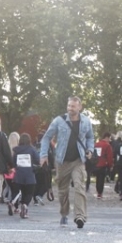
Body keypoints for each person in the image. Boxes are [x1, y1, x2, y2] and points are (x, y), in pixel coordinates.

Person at [39, 96, 94, 228]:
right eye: (69, 106)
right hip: (61, 161)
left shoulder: (86, 121)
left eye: (73, 106)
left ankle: (80, 216)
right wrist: (43, 155)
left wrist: (90, 149)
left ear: (80, 107)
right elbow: (46, 137)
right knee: (63, 191)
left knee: (79, 187)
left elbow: (90, 137)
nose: (70, 108)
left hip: (78, 160)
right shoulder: (59, 121)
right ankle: (64, 214)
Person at [13, 133, 40, 219]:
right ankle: (25, 205)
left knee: (23, 192)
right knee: (29, 193)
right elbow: (38, 159)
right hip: (29, 175)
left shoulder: (16, 150)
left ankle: (22, 207)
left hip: (18, 175)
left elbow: (13, 162)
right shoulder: (32, 149)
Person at [93, 132, 113, 199]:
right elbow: (109, 156)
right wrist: (110, 165)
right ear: (106, 137)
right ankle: (100, 193)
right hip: (103, 164)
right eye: (109, 138)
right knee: (101, 179)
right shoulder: (107, 145)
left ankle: (98, 191)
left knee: (97, 178)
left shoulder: (96, 144)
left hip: (96, 163)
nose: (110, 140)